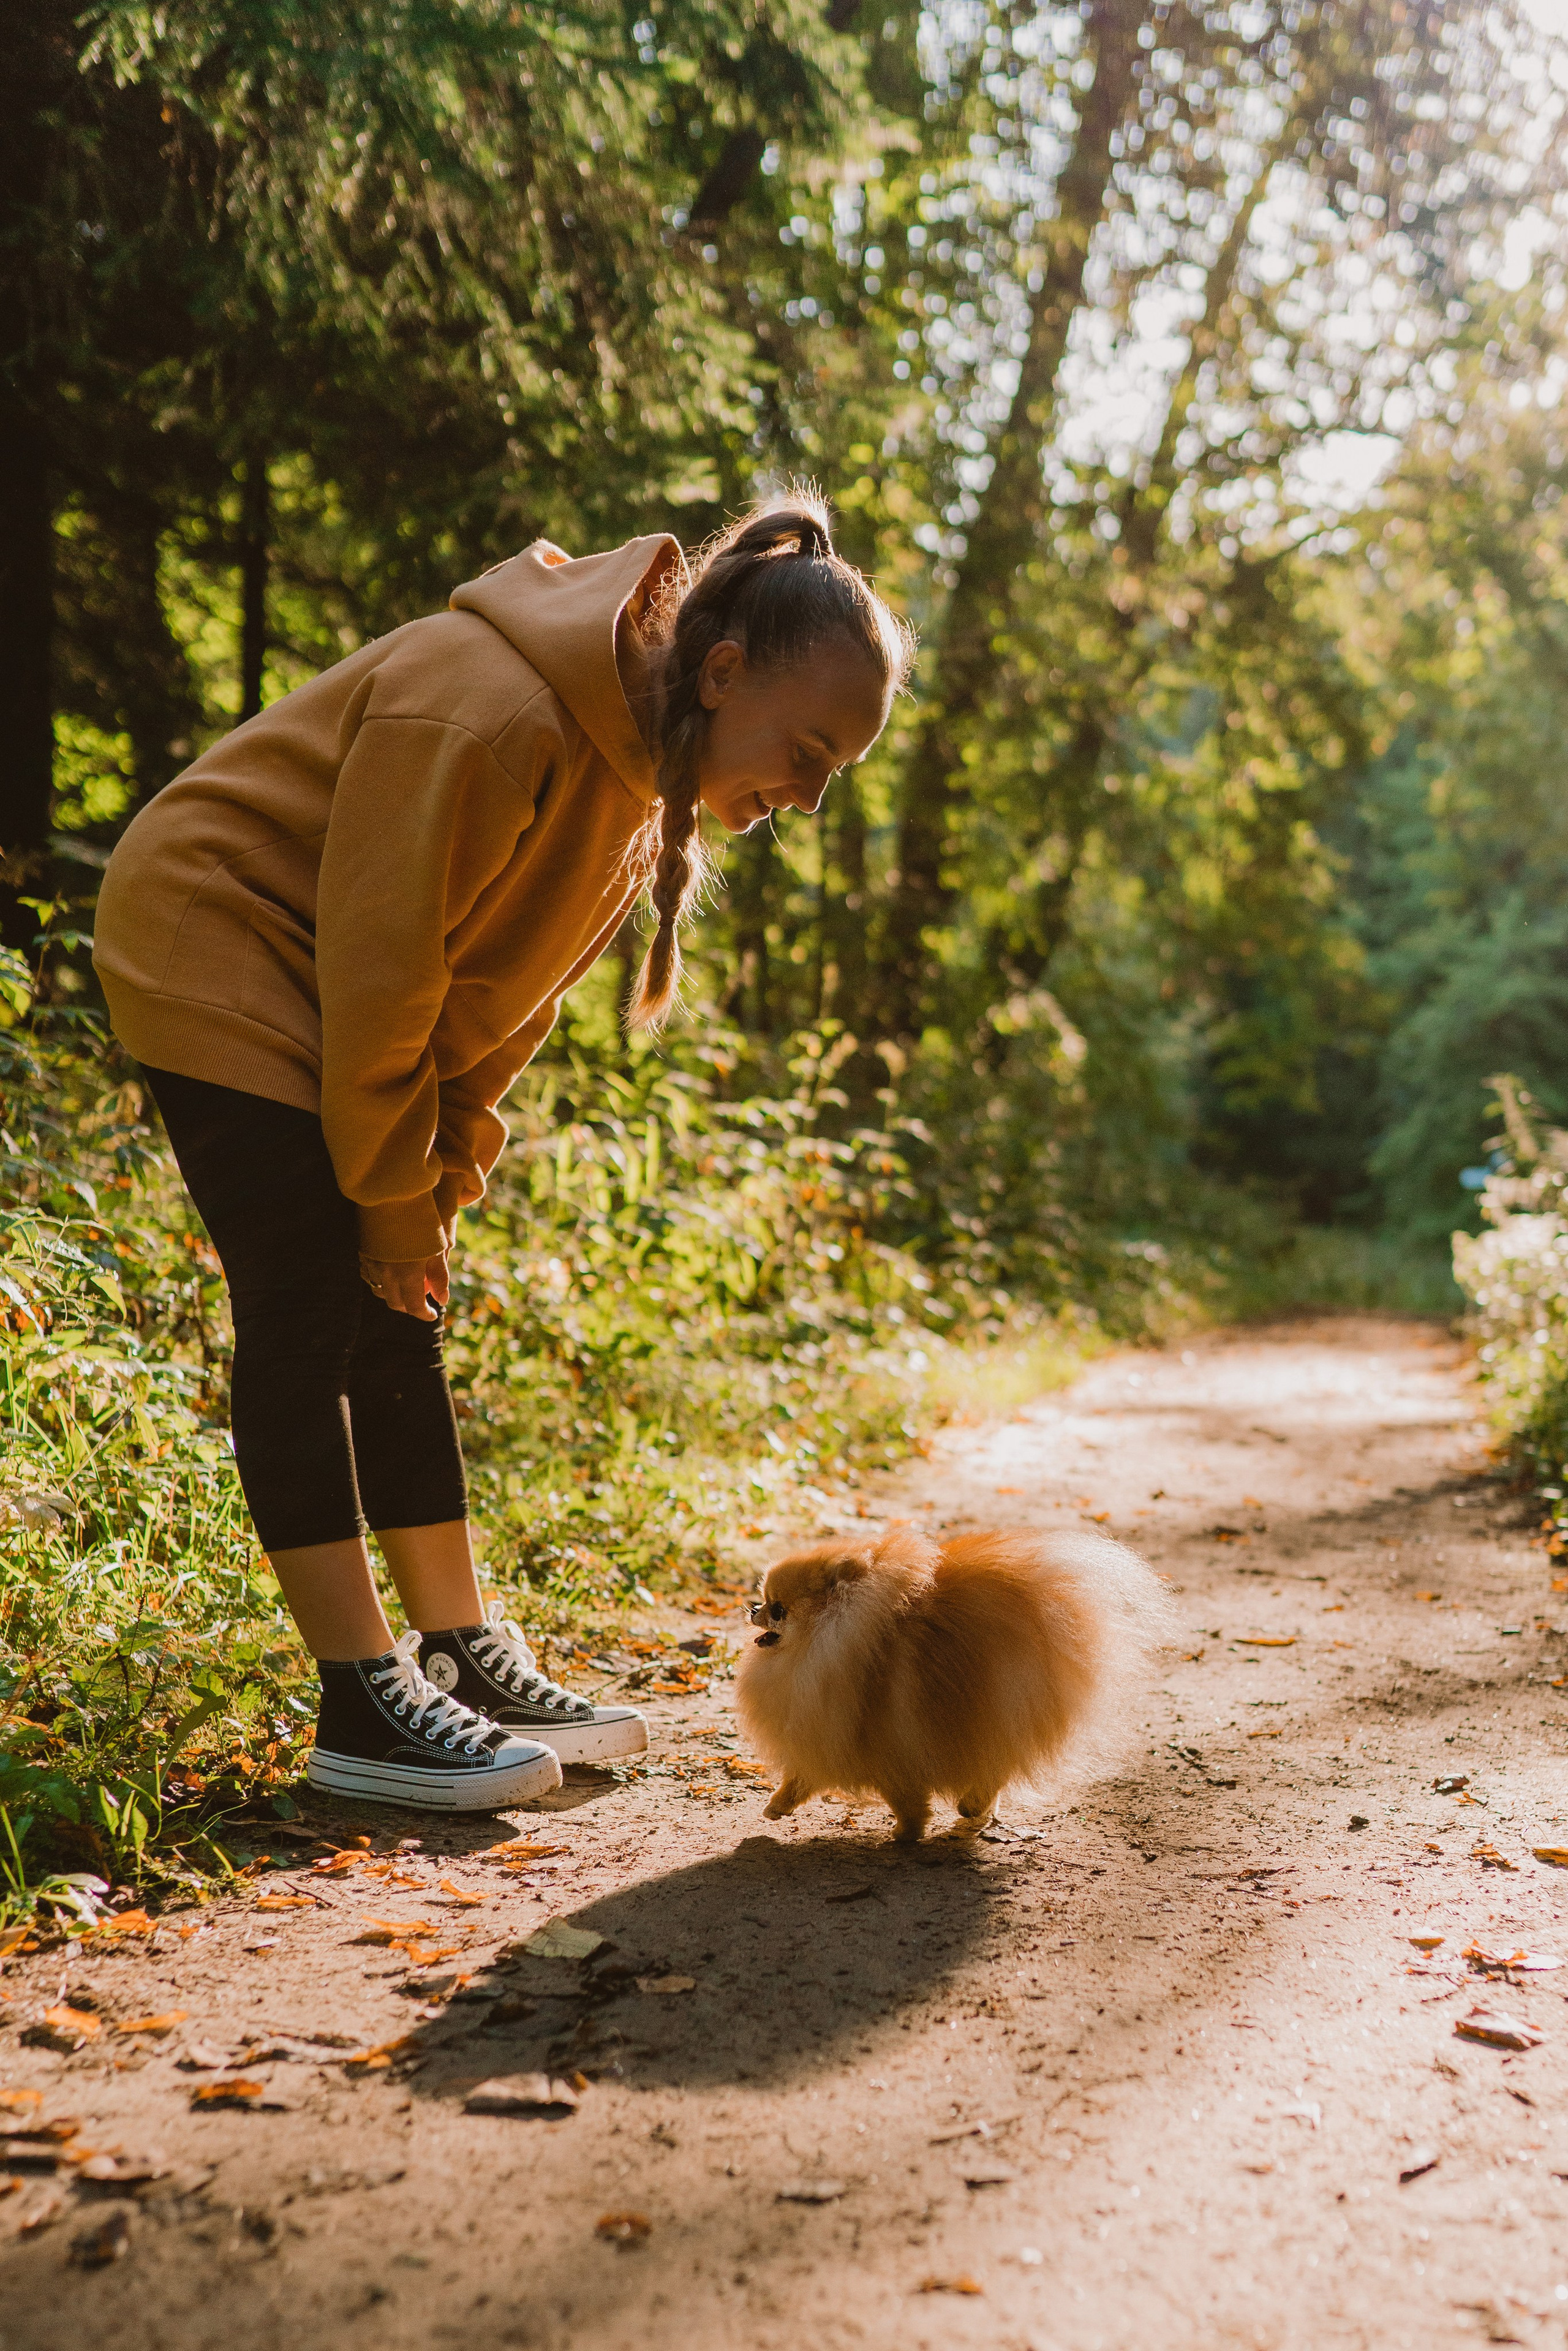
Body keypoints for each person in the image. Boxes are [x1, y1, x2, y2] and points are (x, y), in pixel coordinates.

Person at [91, 494, 914, 1811]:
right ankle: (360, 1698)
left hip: (338, 990)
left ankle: (457, 1652)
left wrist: (430, 1191)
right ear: (720, 672)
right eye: (808, 749)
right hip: (218, 935)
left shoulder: (631, 785)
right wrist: (386, 1192)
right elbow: (384, 972)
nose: (810, 796)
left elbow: (492, 1009)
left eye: (836, 774)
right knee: (306, 1298)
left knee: (393, 1300)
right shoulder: (491, 710)